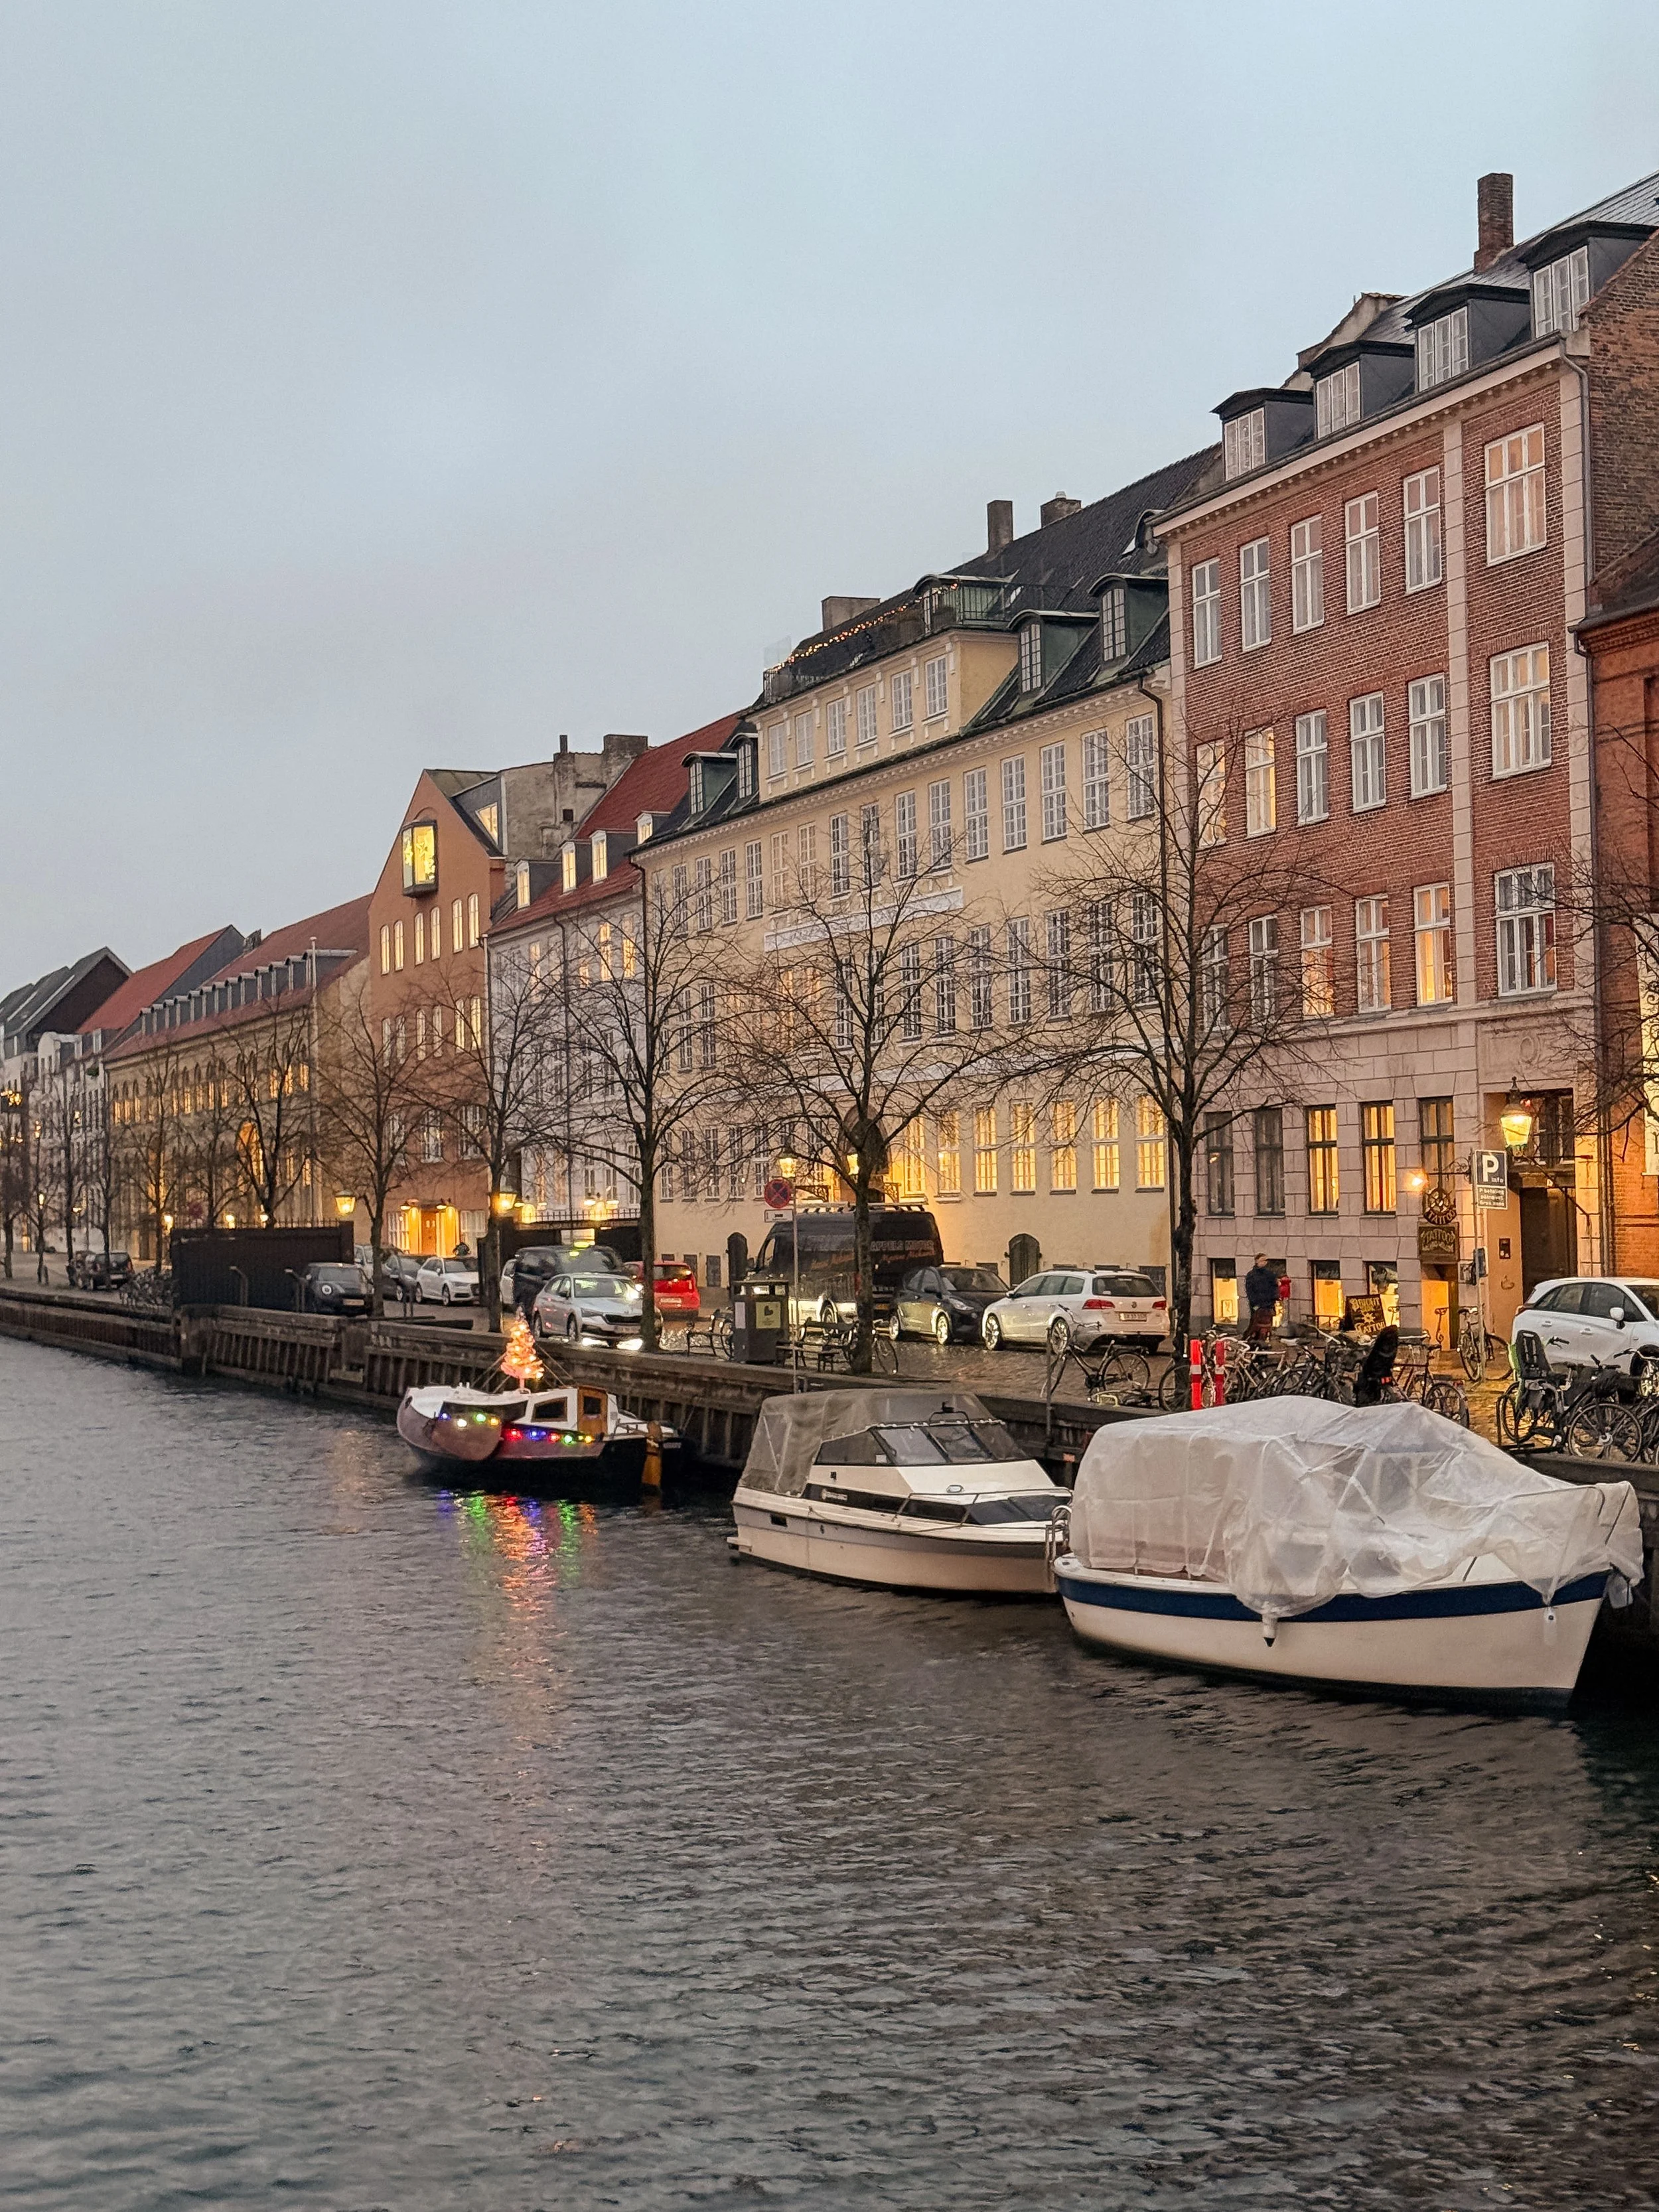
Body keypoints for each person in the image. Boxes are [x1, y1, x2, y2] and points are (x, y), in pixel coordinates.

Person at [1244, 1254, 1279, 1342]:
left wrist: (1273, 1300)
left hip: (1268, 1305)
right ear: (1257, 1262)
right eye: (1262, 1261)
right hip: (1257, 1305)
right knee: (1255, 1326)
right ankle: (1252, 1342)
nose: (1264, 1263)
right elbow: (1250, 1291)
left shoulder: (1270, 1274)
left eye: (1265, 1261)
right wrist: (1255, 1305)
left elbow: (1275, 1287)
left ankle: (1265, 1343)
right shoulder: (1252, 1275)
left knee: (1267, 1327)